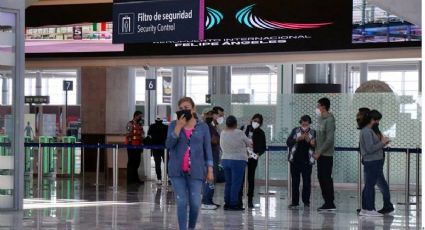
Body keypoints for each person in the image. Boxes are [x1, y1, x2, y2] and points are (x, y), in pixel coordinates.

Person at [166, 97, 214, 230]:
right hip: (177, 171)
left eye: (186, 108)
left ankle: (191, 227)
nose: (183, 111)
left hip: (197, 170)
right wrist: (178, 127)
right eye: (181, 108)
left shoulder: (203, 127)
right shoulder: (173, 125)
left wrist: (210, 169)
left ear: (193, 109)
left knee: (195, 203)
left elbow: (207, 149)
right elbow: (169, 144)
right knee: (181, 201)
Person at [356, 109, 394, 215]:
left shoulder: (370, 130)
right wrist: (382, 143)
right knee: (369, 185)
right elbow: (370, 149)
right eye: (377, 120)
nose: (378, 122)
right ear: (371, 119)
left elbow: (371, 147)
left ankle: (366, 209)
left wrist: (382, 143)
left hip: (374, 161)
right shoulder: (367, 131)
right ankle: (369, 209)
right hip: (372, 161)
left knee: (370, 184)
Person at [220, 115, 252, 211]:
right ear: (235, 124)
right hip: (238, 160)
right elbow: (249, 143)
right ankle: (233, 204)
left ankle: (227, 203)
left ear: (227, 123)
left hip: (225, 159)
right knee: (236, 183)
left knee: (228, 183)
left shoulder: (223, 132)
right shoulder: (239, 132)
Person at [286, 115, 316, 208]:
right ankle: (295, 202)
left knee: (306, 182)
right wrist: (297, 139)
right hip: (295, 160)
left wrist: (309, 140)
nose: (304, 124)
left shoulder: (313, 132)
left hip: (307, 161)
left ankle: (306, 202)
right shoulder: (295, 130)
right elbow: (288, 142)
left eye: (306, 122)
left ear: (309, 123)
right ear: (300, 122)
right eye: (303, 122)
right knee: (295, 182)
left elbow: (316, 146)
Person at [313, 97, 336, 211]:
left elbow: (329, 139)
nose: (317, 108)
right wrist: (314, 142)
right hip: (319, 154)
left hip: (326, 154)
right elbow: (320, 136)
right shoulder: (320, 119)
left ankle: (330, 203)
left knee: (326, 178)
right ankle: (326, 202)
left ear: (324, 106)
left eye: (318, 105)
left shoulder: (330, 120)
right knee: (321, 177)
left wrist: (320, 151)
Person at [241, 113, 266, 208]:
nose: (256, 123)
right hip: (242, 156)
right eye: (255, 120)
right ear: (251, 120)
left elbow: (262, 146)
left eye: (258, 122)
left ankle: (250, 200)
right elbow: (238, 139)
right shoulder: (244, 128)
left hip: (253, 157)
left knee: (251, 179)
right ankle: (239, 199)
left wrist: (258, 153)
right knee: (241, 178)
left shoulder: (261, 132)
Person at [202, 110, 221, 210]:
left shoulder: (211, 127)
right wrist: (219, 140)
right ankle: (206, 201)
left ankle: (208, 200)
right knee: (210, 179)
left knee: (210, 180)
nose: (219, 118)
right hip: (210, 156)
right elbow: (212, 140)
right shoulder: (208, 128)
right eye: (218, 116)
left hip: (212, 155)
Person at [147, 116, 169, 185]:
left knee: (157, 163)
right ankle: (169, 177)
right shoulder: (166, 127)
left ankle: (159, 178)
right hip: (164, 147)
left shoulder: (152, 126)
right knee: (167, 163)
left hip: (155, 147)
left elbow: (149, 135)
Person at [125, 111, 145, 185]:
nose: (141, 118)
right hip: (131, 145)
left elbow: (142, 134)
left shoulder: (140, 124)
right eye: (140, 116)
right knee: (131, 162)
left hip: (138, 145)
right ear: (135, 116)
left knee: (137, 162)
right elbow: (127, 134)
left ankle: (136, 179)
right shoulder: (130, 124)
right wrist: (135, 133)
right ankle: (130, 180)